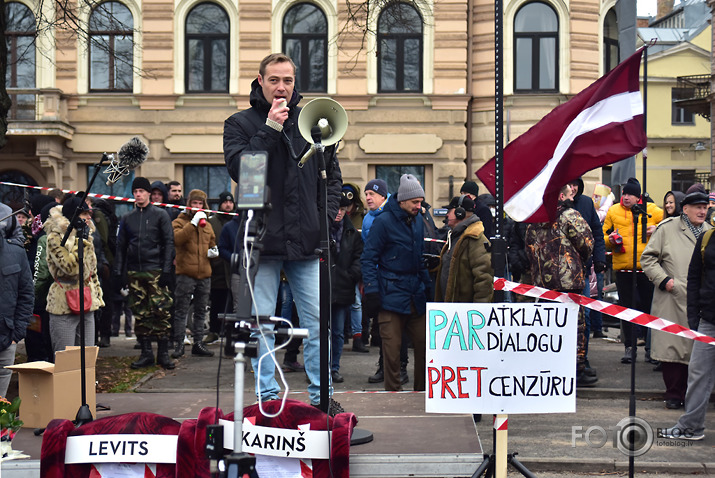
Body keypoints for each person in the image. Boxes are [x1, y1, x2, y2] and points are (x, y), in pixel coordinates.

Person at [223, 53, 343, 413]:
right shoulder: (240, 124)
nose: (281, 87)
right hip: (262, 241)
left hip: (305, 242)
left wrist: (321, 218)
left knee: (316, 324)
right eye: (274, 80)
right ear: (260, 81)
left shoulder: (311, 124)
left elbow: (332, 176)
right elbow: (244, 172)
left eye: (288, 81)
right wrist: (271, 129)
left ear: (295, 84)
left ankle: (322, 396)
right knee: (261, 327)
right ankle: (267, 398)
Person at [641, 191, 711, 409]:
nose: (702, 211)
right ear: (685, 208)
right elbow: (648, 259)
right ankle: (674, 394)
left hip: (702, 300)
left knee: (699, 349)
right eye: (697, 207)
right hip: (672, 297)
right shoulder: (667, 228)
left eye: (705, 207)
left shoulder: (710, 232)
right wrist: (665, 281)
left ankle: (695, 396)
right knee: (672, 348)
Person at [361, 174, 430, 392]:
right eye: (415, 203)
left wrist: (428, 287)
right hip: (389, 295)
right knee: (391, 351)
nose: (419, 206)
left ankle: (421, 394)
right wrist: (371, 291)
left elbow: (419, 257)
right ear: (402, 201)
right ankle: (393, 395)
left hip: (415, 294)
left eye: (420, 202)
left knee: (424, 347)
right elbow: (368, 258)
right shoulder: (383, 222)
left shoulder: (418, 220)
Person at [525, 185, 595, 387]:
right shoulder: (569, 215)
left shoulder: (534, 218)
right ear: (561, 195)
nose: (573, 197)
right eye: (570, 194)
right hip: (568, 280)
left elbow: (528, 248)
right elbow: (587, 242)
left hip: (542, 283)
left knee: (548, 328)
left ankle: (549, 369)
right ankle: (575, 370)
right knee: (574, 327)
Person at [659, 200, 715, 441]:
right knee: (698, 372)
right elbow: (694, 278)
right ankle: (691, 426)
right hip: (709, 319)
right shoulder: (707, 238)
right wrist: (694, 316)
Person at [114, 177, 176, 370]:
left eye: (142, 191)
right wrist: (119, 272)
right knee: (140, 312)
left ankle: (163, 353)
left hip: (156, 270)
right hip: (135, 271)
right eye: (135, 191)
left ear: (149, 193)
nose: (138, 194)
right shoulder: (127, 218)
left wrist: (167, 270)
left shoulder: (161, 215)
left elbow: (169, 244)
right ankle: (146, 353)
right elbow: (121, 247)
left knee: (161, 311)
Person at [602, 177, 663, 363]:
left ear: (638, 198)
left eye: (630, 194)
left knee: (648, 308)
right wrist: (609, 240)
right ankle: (629, 347)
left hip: (646, 270)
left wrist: (657, 228)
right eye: (624, 193)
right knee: (627, 310)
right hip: (623, 270)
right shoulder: (613, 211)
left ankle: (650, 349)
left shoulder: (653, 211)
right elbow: (603, 236)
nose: (625, 197)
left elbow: (670, 226)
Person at [43, 196, 105, 354]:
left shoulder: (87, 236)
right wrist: (81, 241)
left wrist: (98, 298)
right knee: (66, 361)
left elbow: (92, 271)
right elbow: (71, 269)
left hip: (87, 303)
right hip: (63, 306)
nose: (89, 217)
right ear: (74, 216)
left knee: (88, 358)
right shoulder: (55, 238)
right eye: (84, 214)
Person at [170, 189, 217, 358]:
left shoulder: (208, 225)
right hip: (186, 273)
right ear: (188, 205)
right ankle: (179, 344)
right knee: (181, 310)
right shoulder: (179, 222)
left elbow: (212, 242)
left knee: (201, 310)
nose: (197, 206)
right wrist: (193, 224)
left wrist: (214, 250)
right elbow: (177, 240)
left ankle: (198, 343)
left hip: (204, 273)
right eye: (194, 203)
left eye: (200, 204)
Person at [568, 178, 606, 378]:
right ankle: (566, 359)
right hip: (561, 272)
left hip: (583, 268)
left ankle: (583, 357)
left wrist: (599, 259)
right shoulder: (557, 203)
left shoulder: (585, 203)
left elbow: (596, 233)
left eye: (575, 184)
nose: (572, 188)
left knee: (586, 317)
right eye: (569, 184)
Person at [434, 195, 493, 303]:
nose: (446, 215)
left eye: (449, 211)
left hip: (466, 314)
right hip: (453, 311)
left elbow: (484, 279)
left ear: (459, 213)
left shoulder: (475, 239)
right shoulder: (456, 236)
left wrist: (479, 312)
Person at [329, 193, 363, 383]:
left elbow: (359, 256)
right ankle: (319, 369)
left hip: (342, 287)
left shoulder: (351, 232)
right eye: (337, 208)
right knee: (320, 331)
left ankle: (334, 367)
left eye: (342, 209)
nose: (339, 213)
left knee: (338, 332)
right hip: (323, 287)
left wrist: (350, 275)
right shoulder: (322, 229)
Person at [0, 207, 34, 397]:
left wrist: (16, 334)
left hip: (5, 338)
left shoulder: (16, 253)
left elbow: (26, 295)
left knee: (1, 407)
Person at [341, 183, 368, 353]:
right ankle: (341, 333)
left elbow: (363, 243)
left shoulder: (362, 217)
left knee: (356, 303)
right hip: (340, 265)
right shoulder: (336, 215)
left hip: (354, 265)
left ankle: (357, 337)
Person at [206, 191, 235, 344]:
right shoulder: (212, 222)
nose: (228, 205)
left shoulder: (238, 220)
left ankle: (231, 333)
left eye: (230, 202)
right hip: (217, 270)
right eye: (225, 202)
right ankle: (213, 331)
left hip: (233, 270)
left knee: (232, 306)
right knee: (216, 303)